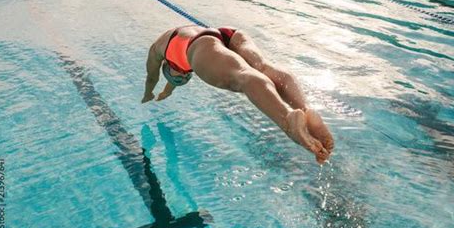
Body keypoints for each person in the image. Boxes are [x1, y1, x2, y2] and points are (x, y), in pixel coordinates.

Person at [142, 25, 334, 163]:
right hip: (227, 33)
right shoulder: (167, 43)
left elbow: (152, 76)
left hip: (200, 46)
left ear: (168, 66)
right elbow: (163, 80)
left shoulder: (162, 51)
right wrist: (161, 91)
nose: (184, 74)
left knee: (243, 77)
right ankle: (304, 108)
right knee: (265, 68)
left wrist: (148, 94)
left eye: (180, 76)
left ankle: (287, 120)